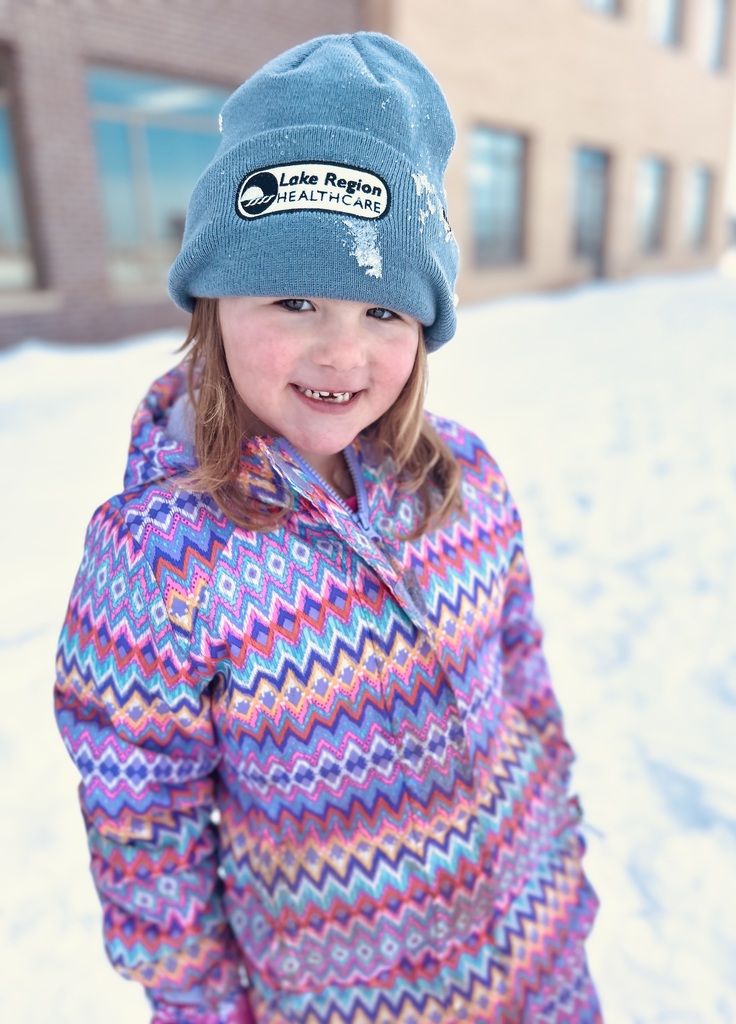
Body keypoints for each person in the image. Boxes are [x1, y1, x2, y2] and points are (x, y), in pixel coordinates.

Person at [54, 32, 601, 1024]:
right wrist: (202, 1006)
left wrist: (558, 830)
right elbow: (144, 828)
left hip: (537, 952)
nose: (340, 350)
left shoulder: (464, 476)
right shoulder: (159, 557)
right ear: (213, 300)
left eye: (384, 311)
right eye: (294, 297)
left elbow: (525, 674)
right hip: (337, 997)